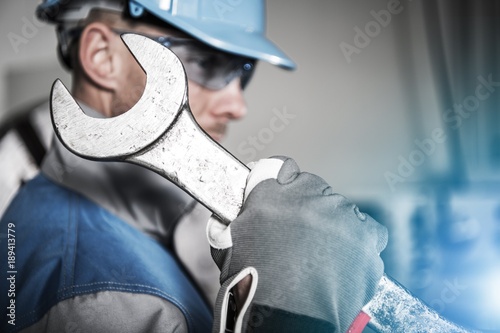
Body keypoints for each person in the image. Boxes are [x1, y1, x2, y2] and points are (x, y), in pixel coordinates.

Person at [0, 1, 387, 332]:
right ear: (103, 57)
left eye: (243, 71)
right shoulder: (97, 301)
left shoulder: (164, 214)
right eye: (208, 62)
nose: (237, 105)